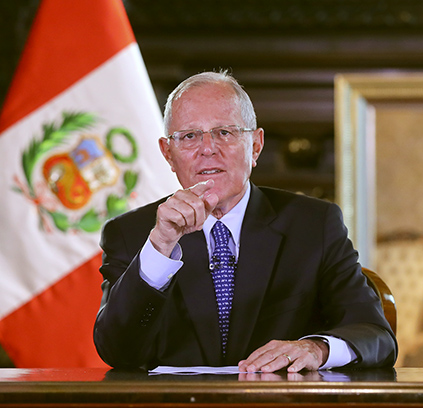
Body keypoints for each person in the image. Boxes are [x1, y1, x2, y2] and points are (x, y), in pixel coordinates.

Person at [93, 71, 397, 372]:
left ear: (256, 145)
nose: (208, 148)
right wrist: (160, 247)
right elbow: (117, 350)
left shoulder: (314, 225)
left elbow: (376, 335)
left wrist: (317, 348)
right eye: (189, 136)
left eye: (224, 132)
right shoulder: (131, 234)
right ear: (168, 154)